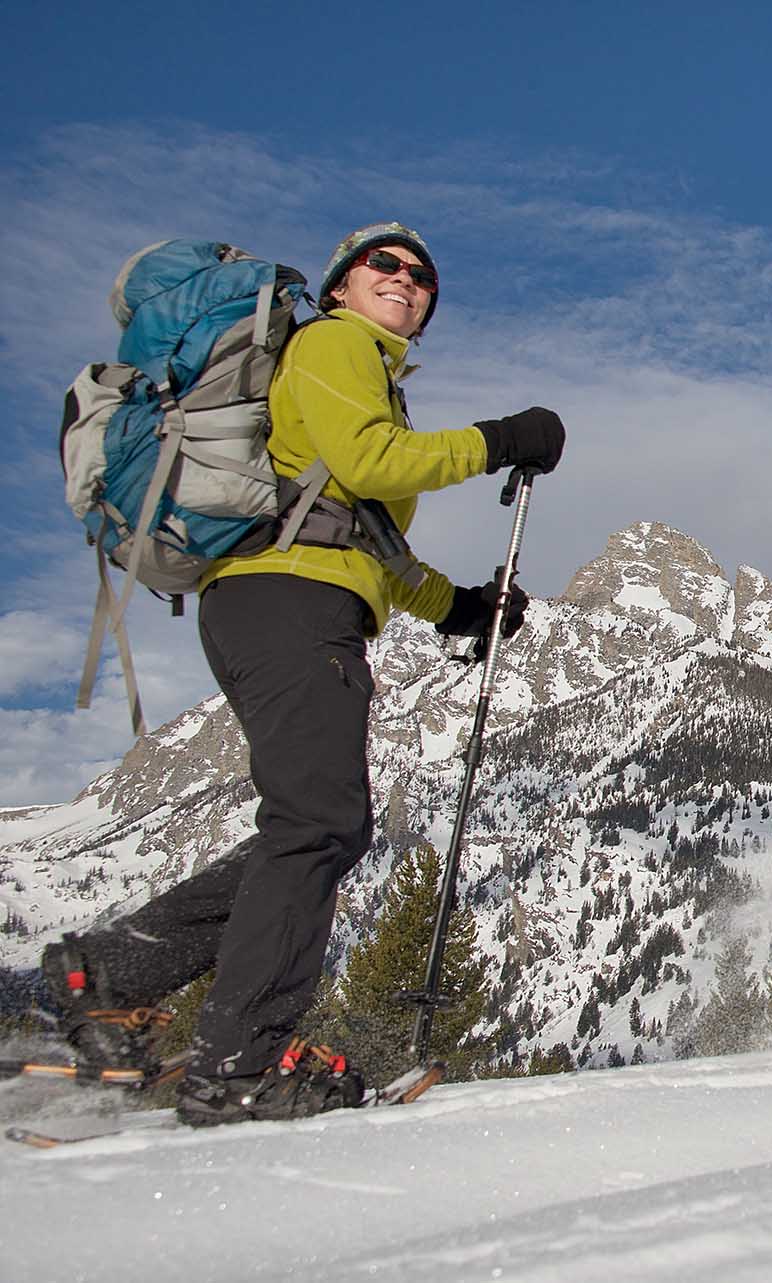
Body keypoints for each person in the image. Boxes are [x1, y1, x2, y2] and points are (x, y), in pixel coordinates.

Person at [41, 222, 567, 1124]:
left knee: (319, 824)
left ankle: (111, 974)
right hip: (287, 606)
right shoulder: (334, 344)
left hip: (285, 602)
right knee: (319, 823)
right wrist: (498, 437)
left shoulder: (357, 372)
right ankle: (236, 1064)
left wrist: (460, 609)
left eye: (423, 276)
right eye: (385, 265)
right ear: (339, 285)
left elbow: (362, 533)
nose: (406, 279)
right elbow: (374, 464)